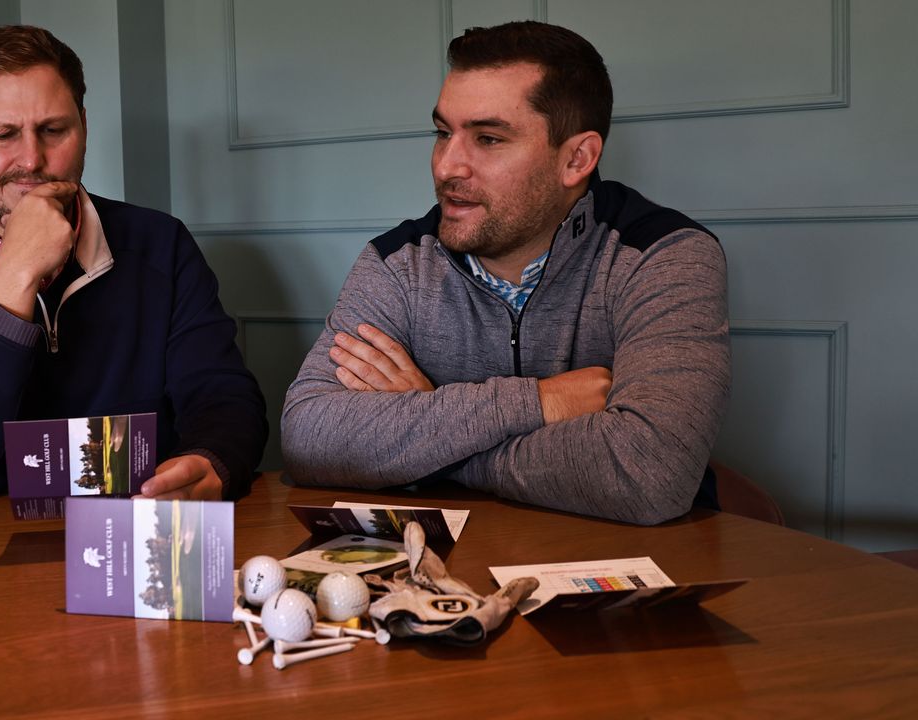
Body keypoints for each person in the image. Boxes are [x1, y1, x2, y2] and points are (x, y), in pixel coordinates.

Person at [281, 21, 729, 525]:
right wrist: (540, 401)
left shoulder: (661, 254)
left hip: (639, 581)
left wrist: (433, 431)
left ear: (577, 158)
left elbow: (649, 475)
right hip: (454, 579)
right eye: (443, 132)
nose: (448, 165)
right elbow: (308, 437)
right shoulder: (398, 262)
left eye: (489, 138)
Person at [0, 25, 266, 505]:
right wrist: (13, 278)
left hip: (140, 530)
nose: (32, 160)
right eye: (4, 134)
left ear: (83, 127)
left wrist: (212, 459)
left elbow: (224, 398)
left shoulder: (163, 245)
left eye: (53, 130)